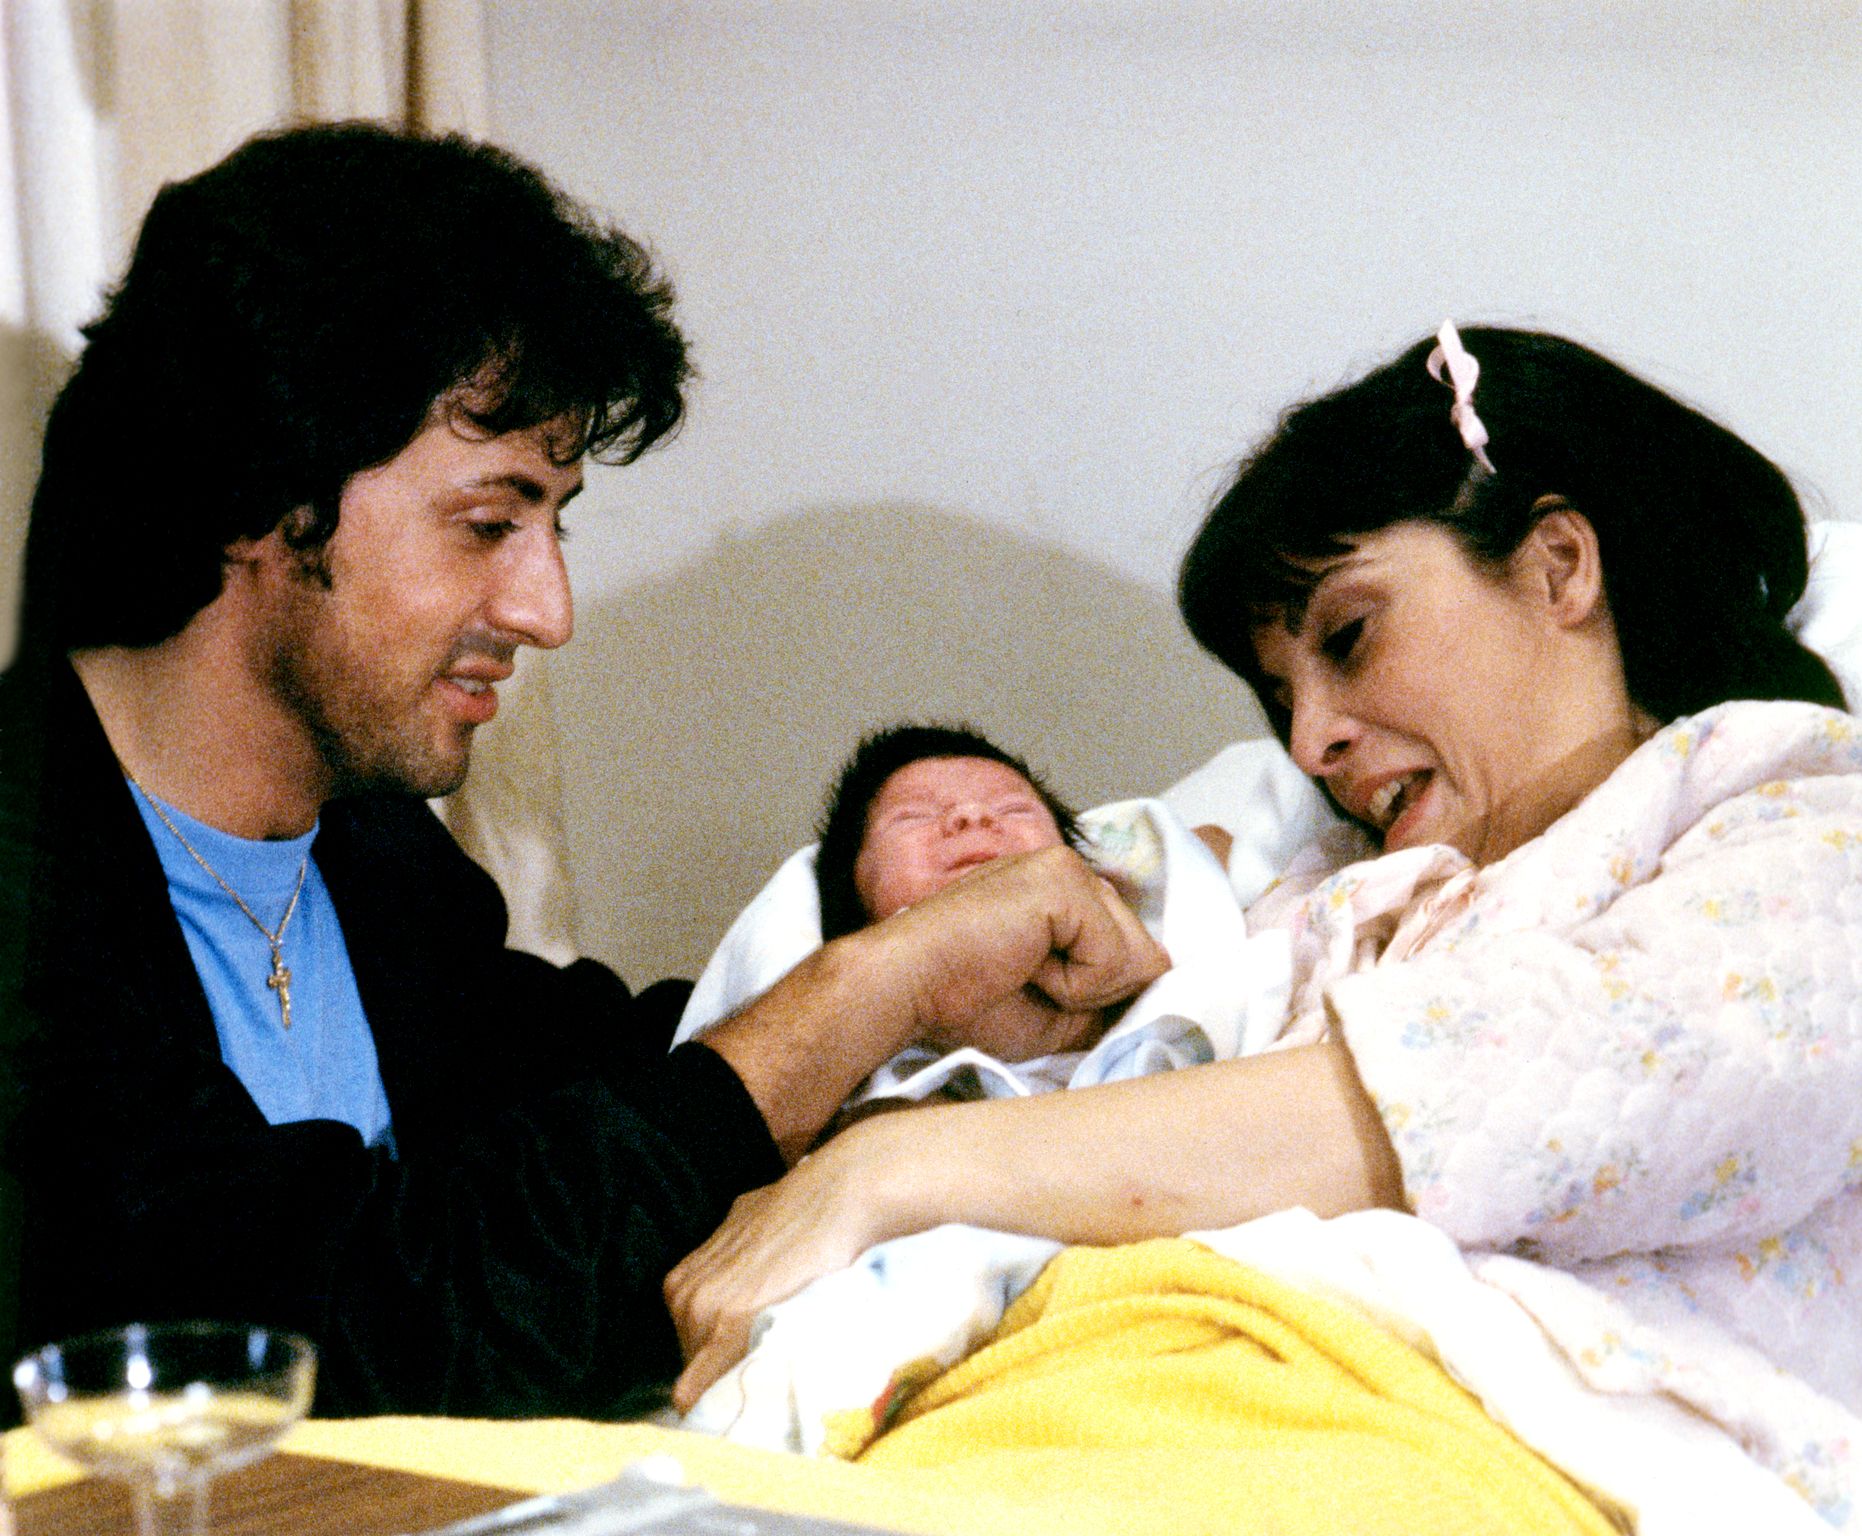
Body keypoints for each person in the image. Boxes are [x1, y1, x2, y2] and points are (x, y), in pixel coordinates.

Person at [0, 123, 1167, 1419]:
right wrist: (868, 983)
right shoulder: (28, 889)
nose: (548, 607)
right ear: (255, 495)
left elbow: (586, 1097)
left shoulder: (369, 855)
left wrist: (951, 1011)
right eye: (489, 522)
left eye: (551, 525)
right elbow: (337, 1330)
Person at [665, 325, 1861, 1524]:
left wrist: (901, 1171)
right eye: (1283, 695)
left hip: (1454, 1440)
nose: (1307, 743)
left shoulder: (1797, 823)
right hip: (1074, 1398)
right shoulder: (1316, 906)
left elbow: (1542, 1082)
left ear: (1557, 566)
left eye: (1347, 638)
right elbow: (1115, 1116)